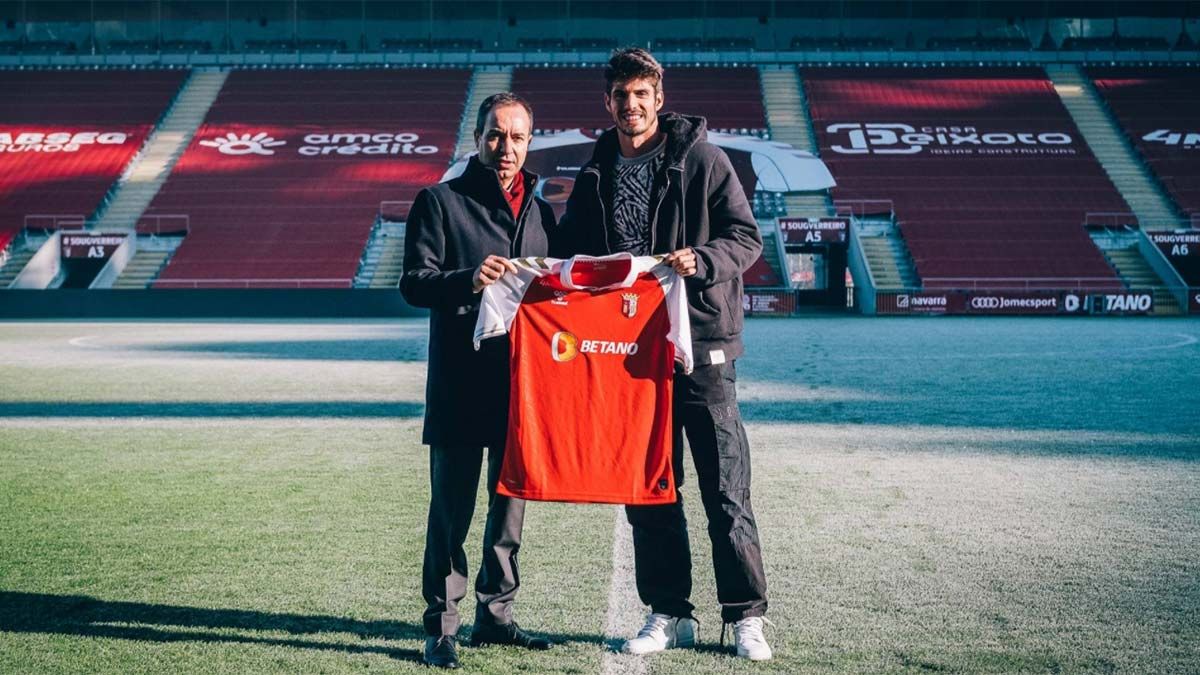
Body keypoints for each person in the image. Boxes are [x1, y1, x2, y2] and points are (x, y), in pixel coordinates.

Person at [555, 48, 772, 661]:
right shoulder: (597, 167)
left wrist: (700, 262)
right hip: (630, 356)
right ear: (608, 101)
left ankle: (747, 615)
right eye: (620, 95)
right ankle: (669, 611)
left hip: (701, 351)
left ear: (659, 95)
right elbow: (573, 249)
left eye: (641, 94)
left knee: (726, 491)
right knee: (650, 490)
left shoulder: (702, 160)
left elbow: (744, 238)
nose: (631, 105)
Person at [401, 92, 555, 669]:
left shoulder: (541, 213)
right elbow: (413, 282)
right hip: (461, 386)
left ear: (530, 142)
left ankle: (497, 616)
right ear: (477, 138)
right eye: (496, 135)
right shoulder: (439, 202)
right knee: (451, 512)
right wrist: (469, 279)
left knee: (508, 509)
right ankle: (441, 625)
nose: (506, 147)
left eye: (518, 137)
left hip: (524, 390)